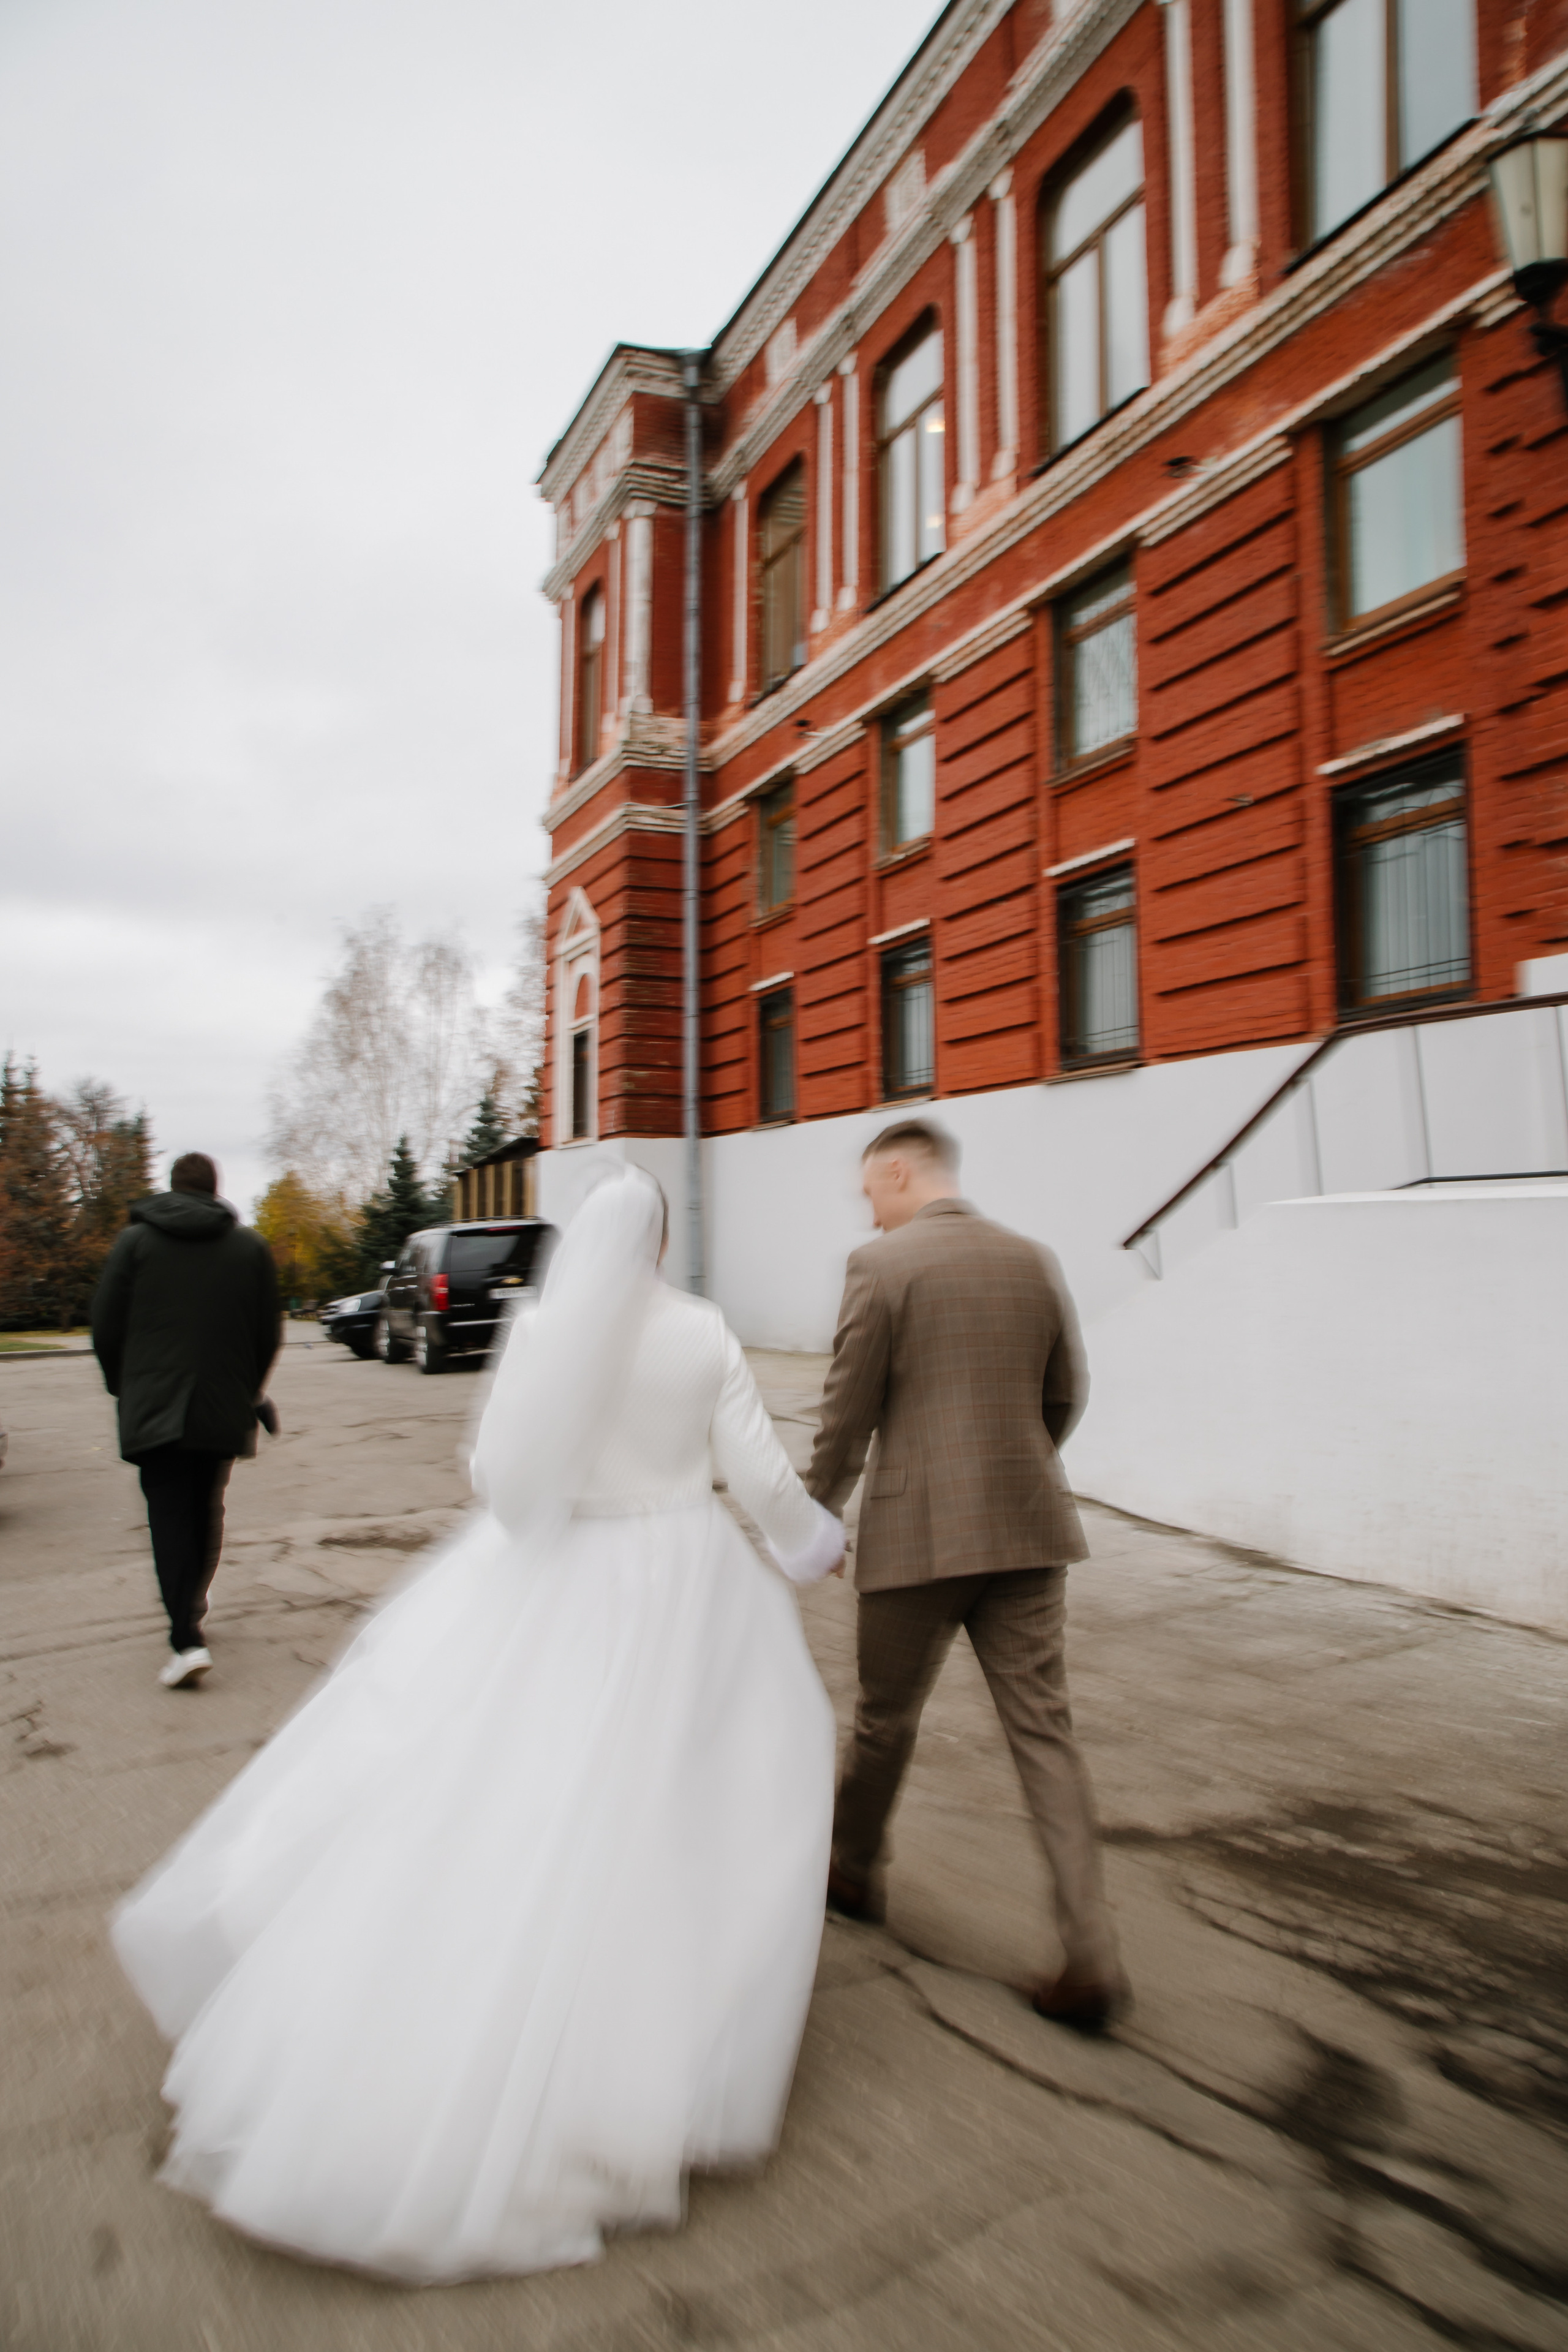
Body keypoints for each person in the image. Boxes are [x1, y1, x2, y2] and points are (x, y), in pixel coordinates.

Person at [111, 1167, 843, 2282]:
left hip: (561, 1569)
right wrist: (811, 1546)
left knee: (512, 1788)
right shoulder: (701, 1331)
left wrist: (549, 1516)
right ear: (657, 1242)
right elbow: (758, 1472)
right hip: (684, 1575)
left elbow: (502, 1477)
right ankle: (655, 2032)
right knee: (690, 1790)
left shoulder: (545, 1328)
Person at [806, 1118, 1128, 2030]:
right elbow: (1066, 1390)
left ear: (901, 1171)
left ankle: (856, 1871)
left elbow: (846, 1414)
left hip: (917, 1536)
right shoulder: (1033, 1258)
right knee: (1045, 1734)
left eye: (872, 1190)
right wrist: (1017, 1464)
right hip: (1028, 1530)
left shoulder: (881, 1269)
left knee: (883, 1717)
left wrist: (817, 1512)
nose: (870, 1212)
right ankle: (1091, 1953)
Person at [91, 1152, 280, 1689]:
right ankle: (192, 1604)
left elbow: (105, 1324)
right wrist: (249, 1389)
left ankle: (185, 1639)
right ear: (214, 1189)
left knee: (169, 1516)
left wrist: (122, 1384)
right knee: (206, 1508)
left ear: (172, 1188)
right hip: (222, 1403)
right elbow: (267, 1333)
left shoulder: (134, 1243)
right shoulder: (250, 1248)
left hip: (154, 1403)